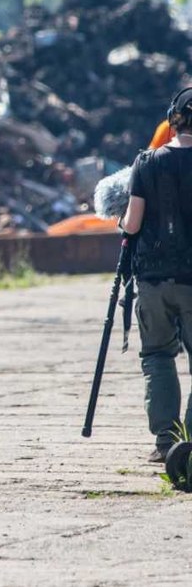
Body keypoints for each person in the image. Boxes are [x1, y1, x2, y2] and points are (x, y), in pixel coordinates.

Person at [120, 88, 192, 463]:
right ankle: (191, 443)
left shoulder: (146, 163)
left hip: (153, 280)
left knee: (158, 356)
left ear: (174, 120)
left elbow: (131, 224)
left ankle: (166, 442)